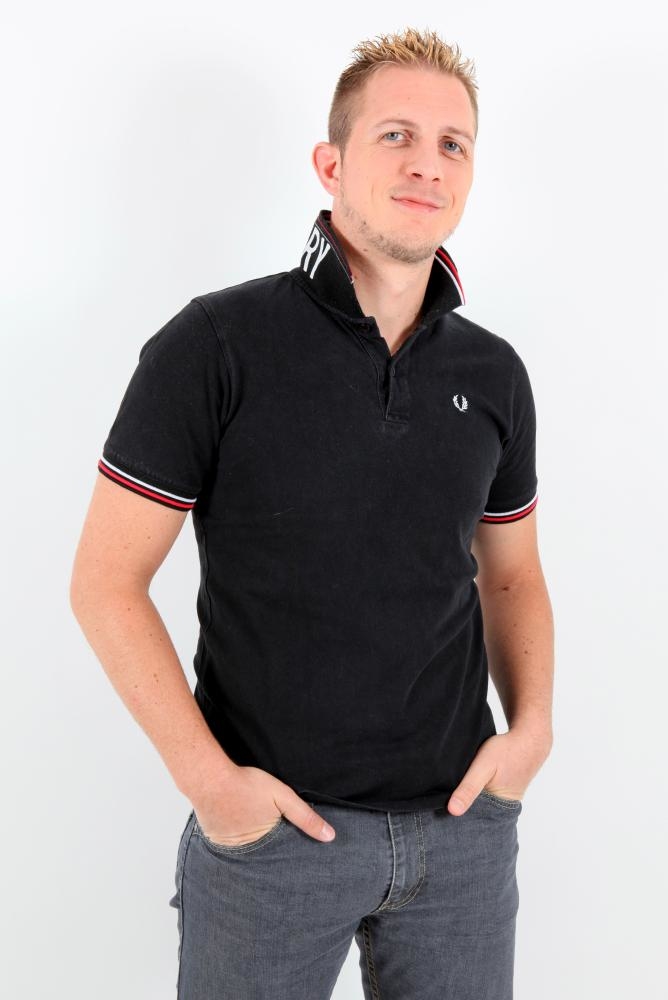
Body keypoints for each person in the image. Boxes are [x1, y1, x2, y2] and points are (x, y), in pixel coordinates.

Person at [70, 25, 554, 1000]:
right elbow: (105, 582)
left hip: (460, 837)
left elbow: (510, 575)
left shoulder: (493, 372)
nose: (427, 163)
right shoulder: (215, 345)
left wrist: (531, 731)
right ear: (330, 164)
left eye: (452, 144)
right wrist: (214, 788)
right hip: (274, 844)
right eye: (395, 135)